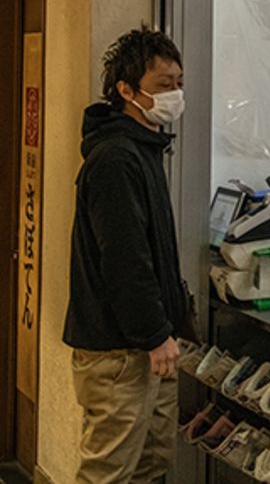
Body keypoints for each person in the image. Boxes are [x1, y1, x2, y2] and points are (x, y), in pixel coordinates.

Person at [63, 26, 191, 483]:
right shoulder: (117, 158)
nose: (175, 94)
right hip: (119, 351)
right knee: (109, 473)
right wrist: (154, 333)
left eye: (178, 83)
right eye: (163, 85)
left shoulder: (146, 148)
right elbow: (124, 259)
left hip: (146, 344)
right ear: (125, 89)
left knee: (151, 466)